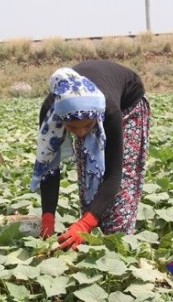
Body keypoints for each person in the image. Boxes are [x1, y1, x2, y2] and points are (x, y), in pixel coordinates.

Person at [30, 60, 151, 250]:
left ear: (96, 116)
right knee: (88, 176)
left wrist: (85, 224)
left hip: (128, 103)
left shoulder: (109, 110)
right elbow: (49, 167)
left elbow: (114, 174)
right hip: (87, 108)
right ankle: (89, 238)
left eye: (87, 126)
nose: (80, 133)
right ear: (62, 119)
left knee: (123, 183)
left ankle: (117, 239)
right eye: (72, 128)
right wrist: (48, 218)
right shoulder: (52, 111)